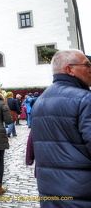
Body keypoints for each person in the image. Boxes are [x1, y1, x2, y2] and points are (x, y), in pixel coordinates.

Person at [32, 49, 91, 207]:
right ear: (69, 69)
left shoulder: (41, 100)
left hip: (50, 192)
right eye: (87, 65)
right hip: (82, 192)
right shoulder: (85, 99)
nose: (90, 69)